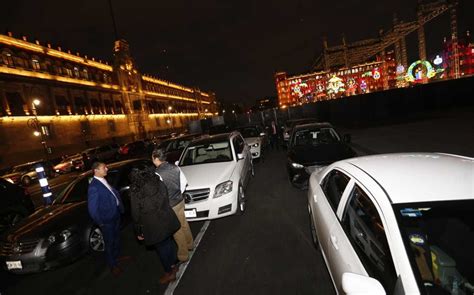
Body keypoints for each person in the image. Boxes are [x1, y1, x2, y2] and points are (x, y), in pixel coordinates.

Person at [129, 164, 180, 284]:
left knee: (162, 248)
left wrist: (138, 231)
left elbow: (135, 214)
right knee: (169, 242)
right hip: (166, 218)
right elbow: (166, 197)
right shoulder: (157, 181)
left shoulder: (136, 191)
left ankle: (169, 272)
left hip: (153, 225)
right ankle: (174, 265)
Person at [152, 148, 194, 263]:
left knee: (176, 230)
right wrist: (177, 193)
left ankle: (183, 255)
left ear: (156, 158)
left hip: (171, 205)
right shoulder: (176, 167)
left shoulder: (157, 173)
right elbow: (184, 183)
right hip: (180, 201)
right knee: (184, 223)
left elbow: (159, 193)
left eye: (152, 158)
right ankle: (190, 244)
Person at [87, 162, 125, 276]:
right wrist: (100, 222)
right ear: (96, 171)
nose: (107, 169)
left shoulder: (103, 180)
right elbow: (92, 209)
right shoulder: (94, 186)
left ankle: (117, 257)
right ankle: (113, 265)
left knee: (117, 238)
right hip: (107, 220)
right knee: (109, 242)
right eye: (104, 168)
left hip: (116, 214)